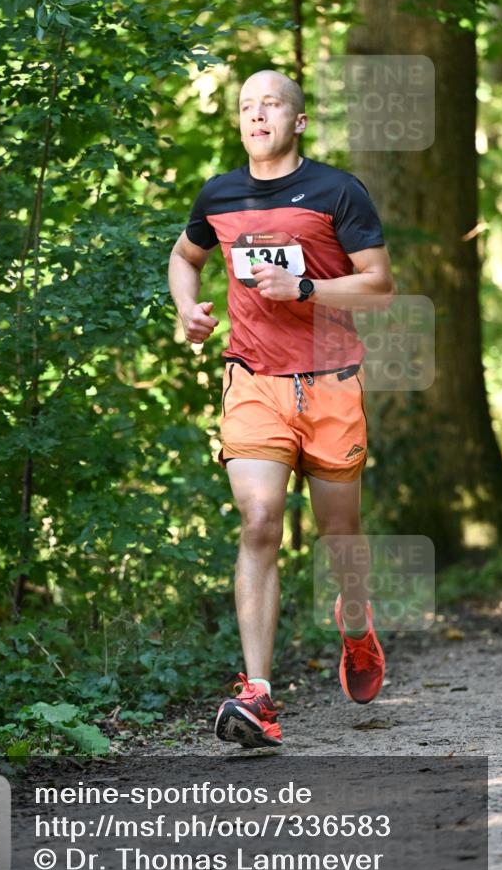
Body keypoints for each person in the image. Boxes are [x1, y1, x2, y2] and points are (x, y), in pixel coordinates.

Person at [168, 69, 395, 748]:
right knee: (260, 519)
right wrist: (187, 307)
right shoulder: (219, 194)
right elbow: (185, 258)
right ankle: (257, 694)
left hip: (329, 383)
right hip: (253, 380)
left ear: (296, 121)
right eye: (245, 106)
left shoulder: (336, 191)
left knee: (339, 539)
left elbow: (379, 286)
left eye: (269, 104)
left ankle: (355, 626)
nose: (255, 114)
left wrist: (304, 287)